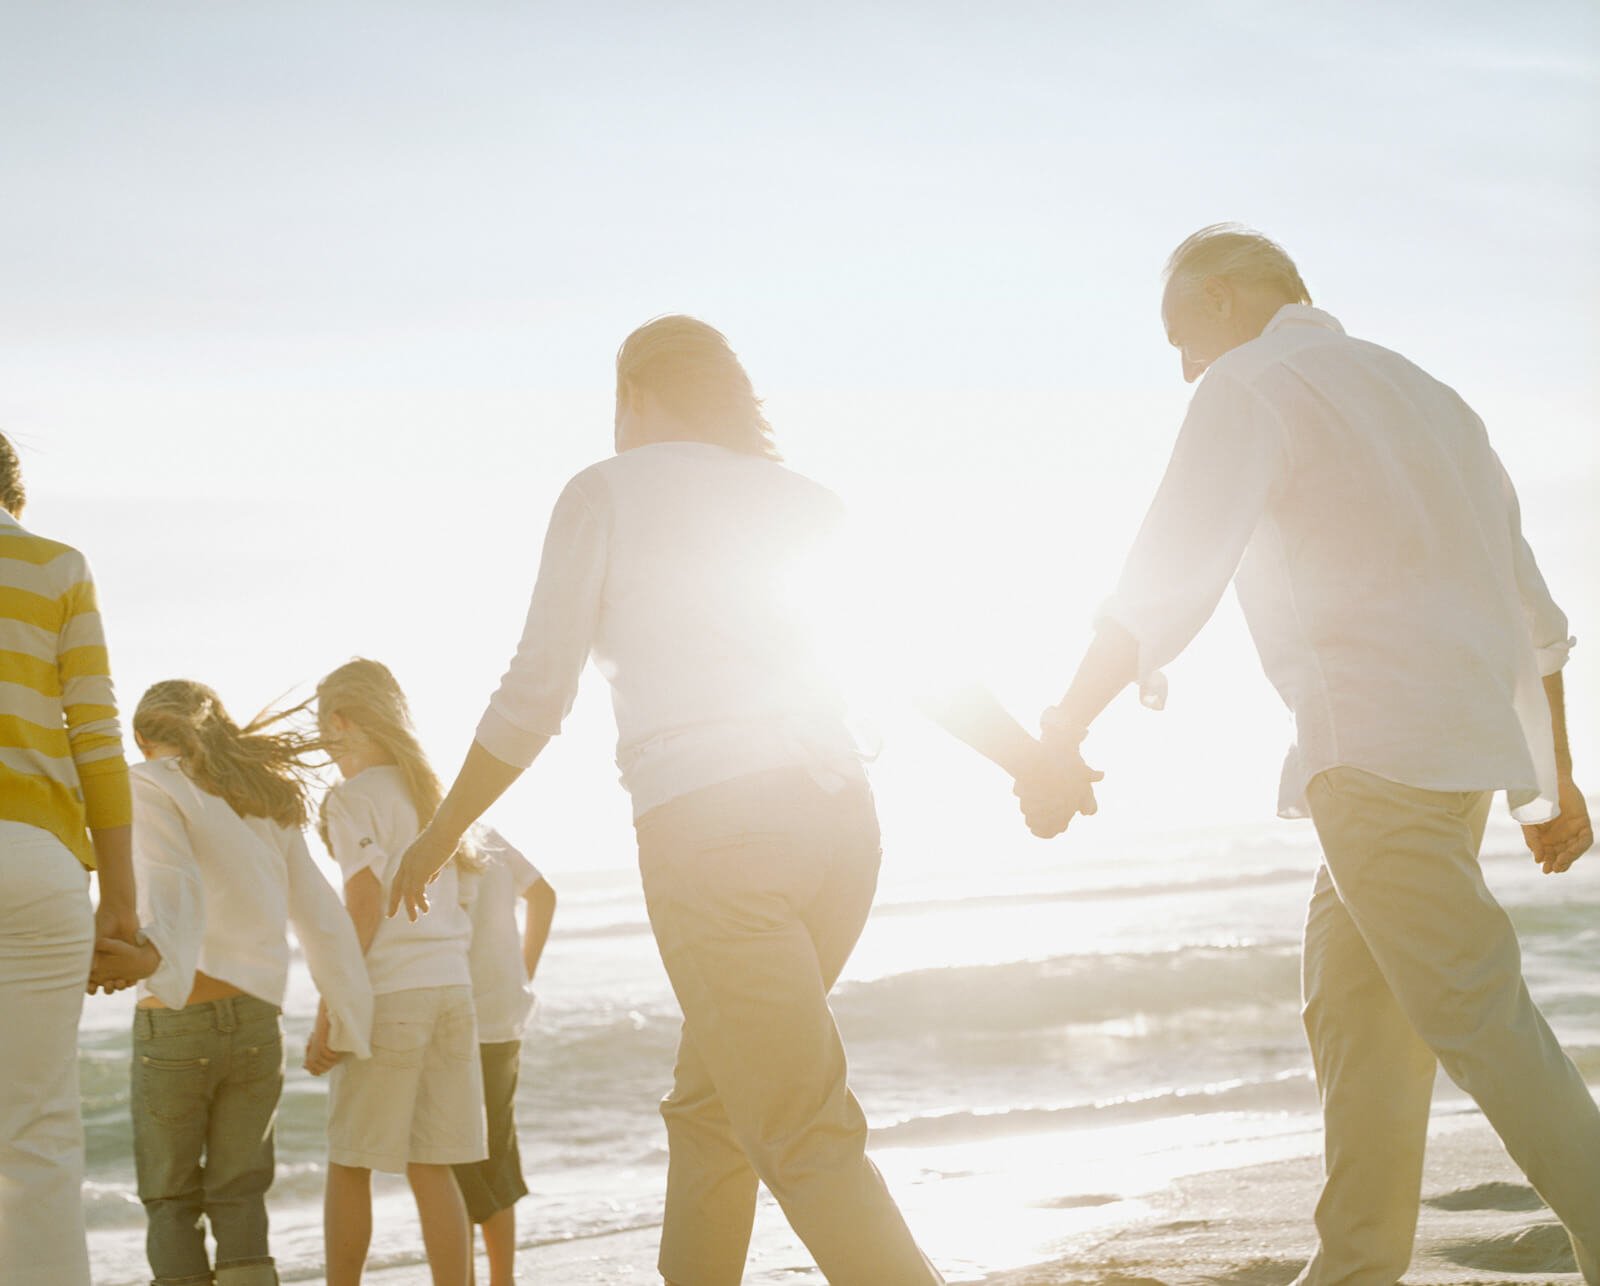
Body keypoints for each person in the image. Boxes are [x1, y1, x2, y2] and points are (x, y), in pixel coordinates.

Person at [384, 315, 1094, 1286]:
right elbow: (917, 666)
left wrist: (441, 830)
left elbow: (533, 692)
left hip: (714, 834)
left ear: (632, 393)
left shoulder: (605, 489)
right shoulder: (805, 501)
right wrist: (1032, 762)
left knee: (802, 1132)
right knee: (713, 1106)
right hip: (839, 831)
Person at [1033, 225, 1599, 1284]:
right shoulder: (1430, 395)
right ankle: (1355, 1267)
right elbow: (1537, 613)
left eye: (1179, 336)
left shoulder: (1248, 384)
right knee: (1354, 1011)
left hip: (1372, 756)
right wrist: (1555, 779)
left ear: (1224, 296)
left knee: (1477, 1017)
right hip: (1450, 762)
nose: (1183, 367)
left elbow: (1165, 574)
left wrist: (1064, 725)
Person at [86, 680, 374, 1286]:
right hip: (255, 1021)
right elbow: (322, 916)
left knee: (170, 1201)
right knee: (241, 1197)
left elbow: (172, 881)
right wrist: (348, 1016)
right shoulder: (265, 800)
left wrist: (151, 956)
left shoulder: (147, 783)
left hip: (177, 1019)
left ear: (141, 737)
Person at [0, 430, 141, 1286]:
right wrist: (119, 905)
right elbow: (95, 734)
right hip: (39, 861)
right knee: (36, 1131)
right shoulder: (55, 566)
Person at [310, 658, 487, 1286]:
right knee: (431, 1165)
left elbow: (363, 907)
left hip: (392, 993)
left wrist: (331, 1010)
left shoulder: (349, 799)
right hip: (450, 990)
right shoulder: (432, 795)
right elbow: (465, 900)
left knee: (349, 1162)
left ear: (341, 722)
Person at [453, 831, 556, 1286]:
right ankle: (501, 1280)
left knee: (455, 1160)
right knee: (496, 1152)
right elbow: (544, 895)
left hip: (460, 1017)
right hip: (504, 1014)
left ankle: (469, 1278)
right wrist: (522, 971)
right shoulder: (484, 832)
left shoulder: (430, 838)